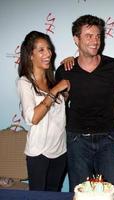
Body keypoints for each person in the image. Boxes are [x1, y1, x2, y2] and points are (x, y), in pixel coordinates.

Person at [55, 14, 114, 193]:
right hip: (76, 140)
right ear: (76, 39)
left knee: (113, 192)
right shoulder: (65, 70)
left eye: (98, 36)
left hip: (108, 138)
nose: (95, 41)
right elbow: (60, 105)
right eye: (89, 36)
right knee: (81, 192)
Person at [17, 31, 70, 191]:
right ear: (30, 55)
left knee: (53, 194)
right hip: (38, 153)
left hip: (60, 151)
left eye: (49, 48)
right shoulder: (25, 82)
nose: (48, 53)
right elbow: (33, 118)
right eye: (41, 50)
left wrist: (72, 62)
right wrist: (54, 91)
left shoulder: (54, 79)